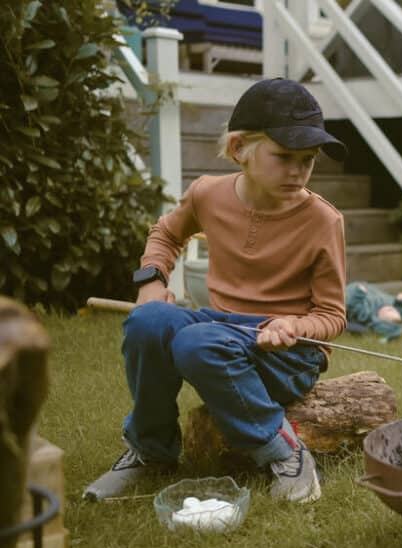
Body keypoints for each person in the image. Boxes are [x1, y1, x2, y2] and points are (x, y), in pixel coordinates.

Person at [83, 78, 349, 504]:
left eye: (309, 160)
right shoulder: (208, 194)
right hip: (219, 331)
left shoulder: (323, 221)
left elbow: (333, 316)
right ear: (239, 148)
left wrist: (294, 323)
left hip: (289, 352)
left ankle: (286, 453)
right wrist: (151, 283)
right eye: (284, 157)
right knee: (148, 321)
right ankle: (151, 451)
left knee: (197, 342)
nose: (298, 171)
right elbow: (165, 235)